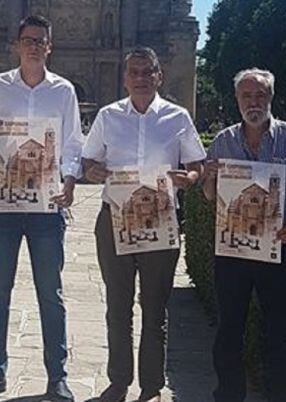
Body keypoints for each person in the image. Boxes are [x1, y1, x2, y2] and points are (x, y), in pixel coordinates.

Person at [0, 15, 84, 402]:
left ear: (50, 46)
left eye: (41, 40)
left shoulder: (63, 91)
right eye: (28, 39)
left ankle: (57, 377)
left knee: (50, 293)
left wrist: (69, 181)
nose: (34, 45)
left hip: (47, 209)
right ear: (17, 45)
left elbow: (72, 145)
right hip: (3, 206)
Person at [81, 47, 206, 402]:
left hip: (160, 219)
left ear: (158, 76)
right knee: (117, 306)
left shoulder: (177, 117)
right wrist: (92, 170)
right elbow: (89, 159)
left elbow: (197, 162)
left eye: (147, 72)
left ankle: (151, 386)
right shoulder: (107, 116)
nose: (140, 78)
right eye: (133, 72)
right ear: (125, 78)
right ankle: (118, 381)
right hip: (114, 219)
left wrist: (191, 177)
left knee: (155, 307)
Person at [201, 68, 286, 402]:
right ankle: (228, 395)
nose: (253, 102)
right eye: (246, 95)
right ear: (237, 100)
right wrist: (210, 177)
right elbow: (210, 196)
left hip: (278, 250)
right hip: (232, 253)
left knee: (282, 333)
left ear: (270, 97)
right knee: (229, 330)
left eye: (259, 95)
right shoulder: (223, 141)